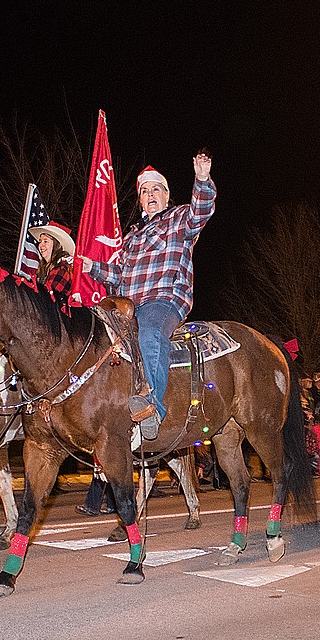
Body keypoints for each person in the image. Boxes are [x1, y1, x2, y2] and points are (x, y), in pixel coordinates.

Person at [76, 150, 215, 440]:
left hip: (163, 300)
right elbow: (118, 275)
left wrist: (202, 178)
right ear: (139, 200)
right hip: (128, 305)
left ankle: (151, 407)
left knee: (150, 334)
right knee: (92, 339)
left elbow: (200, 211)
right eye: (144, 191)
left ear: (166, 195)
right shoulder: (131, 237)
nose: (150, 195)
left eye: (155, 189)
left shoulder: (179, 220)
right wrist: (91, 267)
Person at [28, 221, 76, 311]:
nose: (40, 245)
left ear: (57, 245)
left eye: (45, 241)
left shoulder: (63, 269)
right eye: (40, 241)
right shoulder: (45, 270)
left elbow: (48, 300)